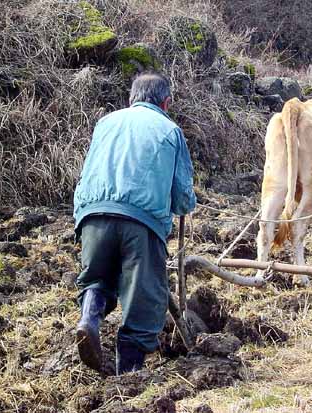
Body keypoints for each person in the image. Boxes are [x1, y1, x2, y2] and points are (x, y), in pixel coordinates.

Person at [72, 72, 196, 375]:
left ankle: (89, 318)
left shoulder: (106, 123)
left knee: (98, 277)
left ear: (131, 99)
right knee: (145, 299)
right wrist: (185, 205)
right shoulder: (170, 130)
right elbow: (182, 197)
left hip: (92, 216)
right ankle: (127, 375)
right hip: (140, 222)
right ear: (165, 103)